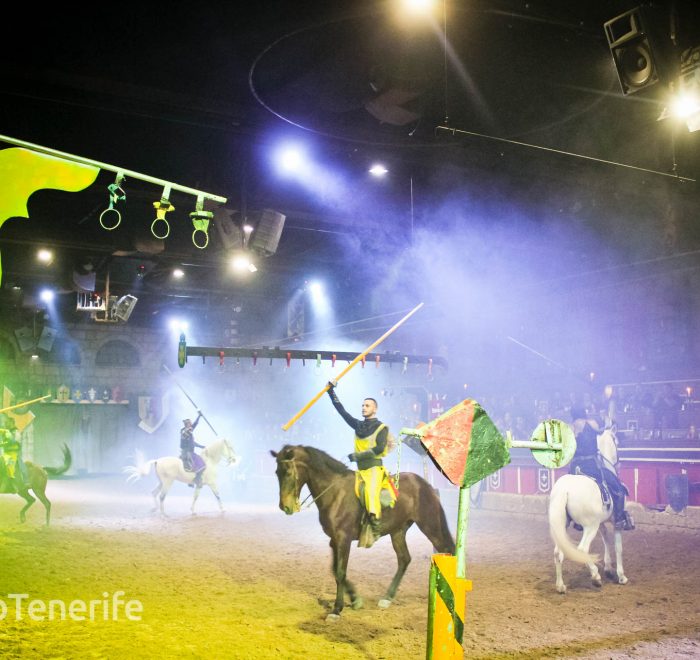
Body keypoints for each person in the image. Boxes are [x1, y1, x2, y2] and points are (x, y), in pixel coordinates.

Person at [326, 381, 394, 548]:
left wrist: (358, 456)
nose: (364, 408)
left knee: (371, 493)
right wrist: (331, 392)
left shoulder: (382, 428)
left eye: (367, 405)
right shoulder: (358, 425)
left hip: (373, 470)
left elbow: (378, 449)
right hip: (360, 471)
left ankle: (376, 526)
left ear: (375, 409)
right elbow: (342, 412)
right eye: (363, 405)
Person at [569, 407, 634, 531]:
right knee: (618, 489)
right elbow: (602, 430)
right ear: (584, 413)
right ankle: (620, 519)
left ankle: (575, 519)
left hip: (574, 468)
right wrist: (606, 419)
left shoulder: (570, 428)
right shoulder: (591, 423)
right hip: (590, 465)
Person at [180, 412, 205, 488]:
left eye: (190, 424)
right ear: (187, 424)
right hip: (186, 452)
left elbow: (192, 443)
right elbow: (191, 429)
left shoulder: (189, 431)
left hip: (191, 451)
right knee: (192, 465)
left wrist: (201, 446)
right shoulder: (183, 431)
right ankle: (190, 481)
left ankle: (196, 480)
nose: (190, 425)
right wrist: (198, 417)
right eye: (189, 424)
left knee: (201, 464)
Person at [0, 417, 28, 486]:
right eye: (5, 423)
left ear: (12, 423)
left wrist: (2, 444)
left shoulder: (16, 432)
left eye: (7, 423)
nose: (6, 424)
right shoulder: (6, 432)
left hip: (14, 453)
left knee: (18, 463)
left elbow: (13, 442)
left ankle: (26, 479)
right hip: (6, 453)